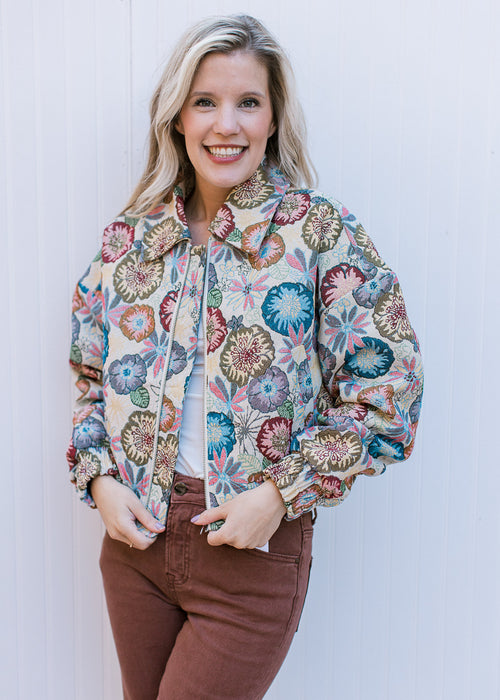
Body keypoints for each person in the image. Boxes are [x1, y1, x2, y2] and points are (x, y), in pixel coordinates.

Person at [67, 13, 423, 700]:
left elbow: (390, 395)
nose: (225, 125)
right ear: (176, 117)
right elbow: (89, 375)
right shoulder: (130, 241)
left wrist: (280, 495)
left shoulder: (319, 232)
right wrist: (101, 480)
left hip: (252, 552)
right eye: (205, 101)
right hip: (135, 548)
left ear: (271, 118)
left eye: (247, 102)